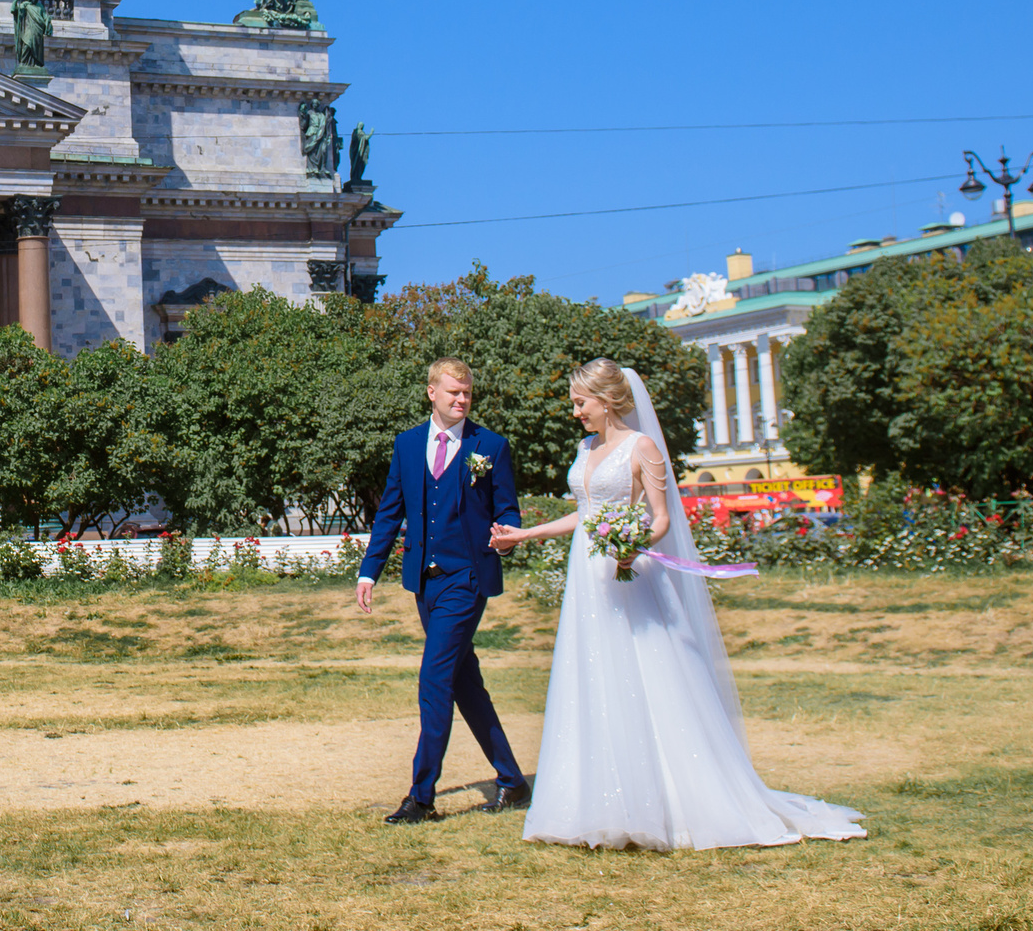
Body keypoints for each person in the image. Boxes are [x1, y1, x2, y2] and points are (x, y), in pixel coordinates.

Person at [491, 359, 867, 851]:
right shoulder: (585, 449)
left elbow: (662, 518)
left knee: (649, 674)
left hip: (629, 573)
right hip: (586, 575)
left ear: (606, 400)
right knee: (594, 674)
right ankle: (597, 804)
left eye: (581, 403)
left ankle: (669, 802)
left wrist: (632, 545)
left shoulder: (642, 447)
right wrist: (525, 534)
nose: (576, 412)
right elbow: (584, 514)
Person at [355, 357, 530, 823]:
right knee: (464, 683)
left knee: (434, 679)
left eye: (467, 392)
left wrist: (507, 533)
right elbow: (390, 511)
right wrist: (369, 571)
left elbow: (507, 509)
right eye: (454, 392)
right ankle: (513, 782)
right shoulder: (408, 444)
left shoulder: (490, 446)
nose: (462, 399)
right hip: (424, 583)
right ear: (432, 392)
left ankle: (421, 797)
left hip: (467, 579)